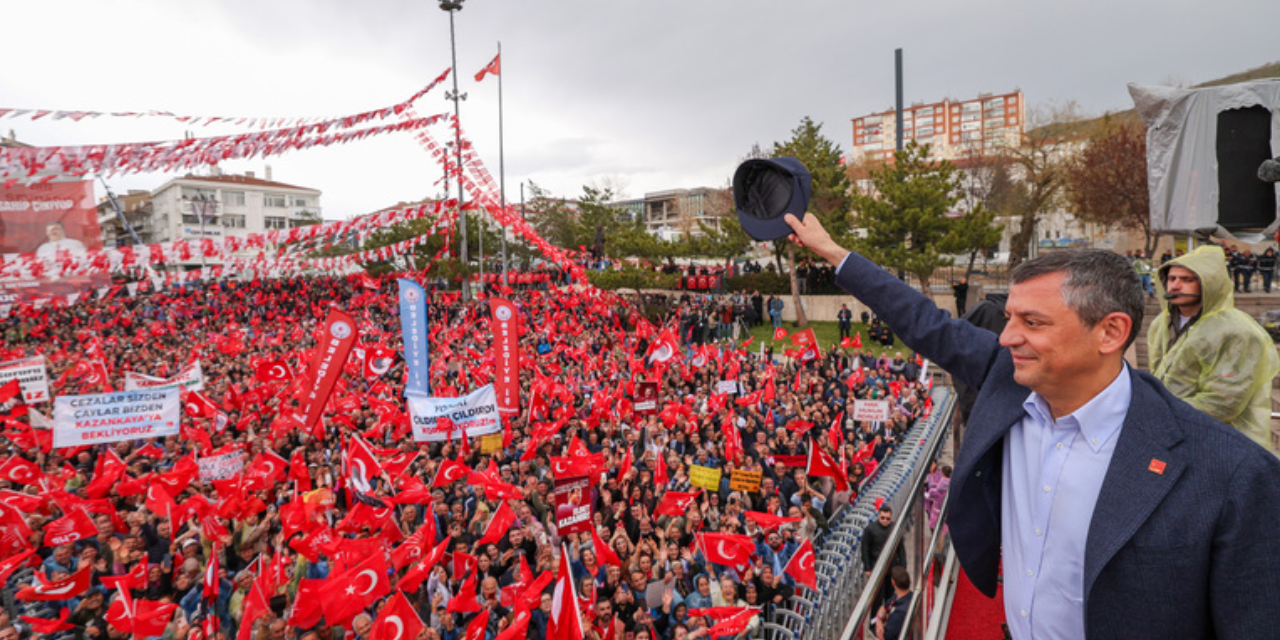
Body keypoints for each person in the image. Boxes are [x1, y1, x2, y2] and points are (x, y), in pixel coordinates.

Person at [782, 211, 1280, 639]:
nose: (1006, 338)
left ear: (1111, 332)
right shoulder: (1008, 379)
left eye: (1032, 323)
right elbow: (922, 321)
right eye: (1010, 318)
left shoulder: (1233, 475)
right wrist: (831, 251)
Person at [1147, 245, 1279, 451]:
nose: (1175, 286)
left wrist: (1162, 411)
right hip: (1173, 437)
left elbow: (1224, 402)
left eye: (1187, 280)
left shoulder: (1237, 330)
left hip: (1224, 444)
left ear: (1210, 284)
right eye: (1172, 279)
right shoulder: (1160, 324)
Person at [874, 566, 912, 640]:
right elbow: (883, 608)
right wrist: (879, 620)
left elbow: (882, 636)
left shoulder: (899, 614)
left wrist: (879, 623)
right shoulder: (899, 596)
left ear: (893, 582)